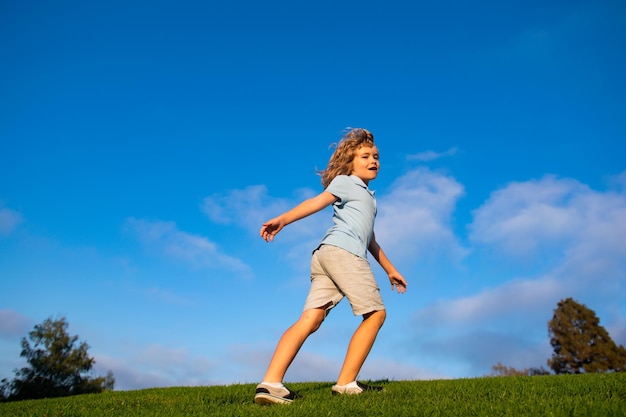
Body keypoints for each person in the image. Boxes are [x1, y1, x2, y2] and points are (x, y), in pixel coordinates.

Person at [254, 128, 407, 405]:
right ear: (350, 163)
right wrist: (284, 220)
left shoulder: (368, 197)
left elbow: (369, 239)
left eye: (376, 156)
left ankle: (270, 384)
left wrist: (390, 269)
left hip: (327, 255)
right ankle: (346, 384)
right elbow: (318, 201)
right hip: (342, 253)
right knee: (375, 314)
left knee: (311, 319)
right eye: (365, 156)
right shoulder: (346, 182)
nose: (374, 160)